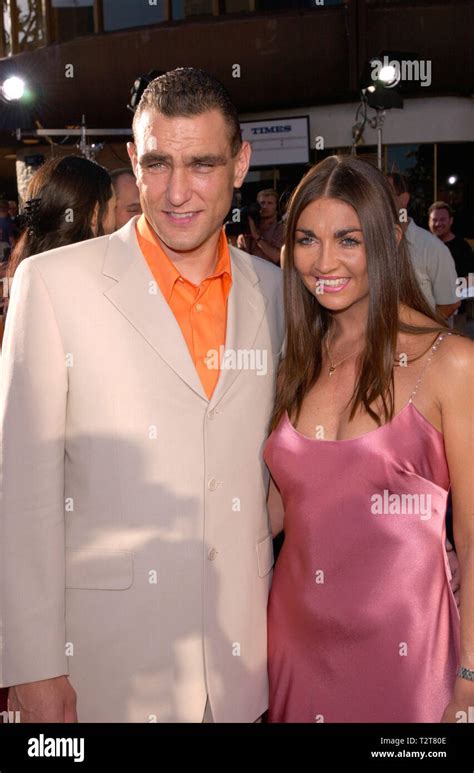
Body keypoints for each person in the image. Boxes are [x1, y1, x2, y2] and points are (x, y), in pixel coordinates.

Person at [0, 68, 283, 723]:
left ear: (240, 163)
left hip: (241, 665)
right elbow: (22, 494)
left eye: (202, 164)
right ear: (133, 159)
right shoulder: (53, 284)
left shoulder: (274, 292)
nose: (177, 191)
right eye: (157, 163)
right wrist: (34, 665)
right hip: (106, 670)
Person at [264, 155, 474, 723]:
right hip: (294, 643)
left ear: (382, 241)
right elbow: (280, 508)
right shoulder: (298, 359)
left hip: (411, 656)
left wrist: (471, 676)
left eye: (347, 239)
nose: (324, 261)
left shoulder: (450, 363)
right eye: (306, 238)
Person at [387, 173, 460, 322]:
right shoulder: (368, 244)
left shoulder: (432, 248)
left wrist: (420, 335)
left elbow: (450, 303)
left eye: (385, 194)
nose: (377, 201)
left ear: (403, 199)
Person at [237, 189, 284, 265]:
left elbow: (277, 257)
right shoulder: (248, 228)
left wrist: (257, 237)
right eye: (262, 203)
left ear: (276, 207)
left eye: (270, 203)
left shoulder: (281, 229)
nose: (265, 206)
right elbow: (240, 259)